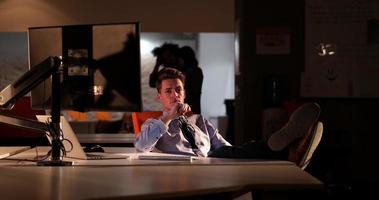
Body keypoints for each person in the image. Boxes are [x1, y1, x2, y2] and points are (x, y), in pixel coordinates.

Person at [134, 68, 320, 159]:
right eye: (168, 91)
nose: (175, 95)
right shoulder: (153, 124)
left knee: (239, 151)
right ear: (159, 97)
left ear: (184, 92)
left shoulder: (198, 120)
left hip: (213, 164)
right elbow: (142, 146)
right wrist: (168, 118)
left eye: (179, 90)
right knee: (236, 154)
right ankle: (290, 150)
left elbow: (226, 147)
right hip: (185, 169)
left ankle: (285, 148)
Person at [178, 46, 203, 114]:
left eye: (180, 58)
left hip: (191, 108)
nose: (179, 61)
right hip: (188, 107)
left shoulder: (195, 71)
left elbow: (194, 92)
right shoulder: (192, 71)